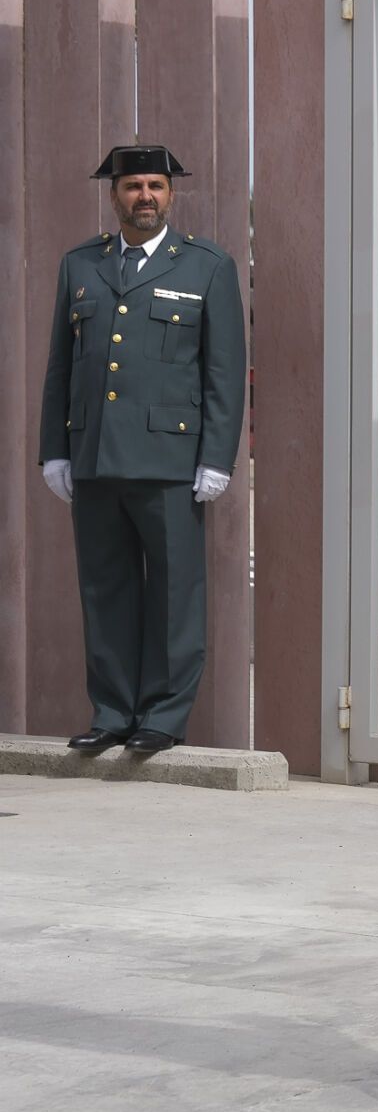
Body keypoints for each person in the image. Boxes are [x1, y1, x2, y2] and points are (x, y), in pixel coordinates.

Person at [37, 144, 247, 754]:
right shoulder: (80, 265)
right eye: (133, 187)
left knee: (175, 592)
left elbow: (223, 372)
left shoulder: (206, 266)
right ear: (114, 196)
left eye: (155, 185)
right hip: (96, 454)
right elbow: (60, 366)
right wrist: (56, 447)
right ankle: (111, 712)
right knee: (105, 589)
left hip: (170, 461)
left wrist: (217, 457)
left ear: (171, 194)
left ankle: (162, 715)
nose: (145, 197)